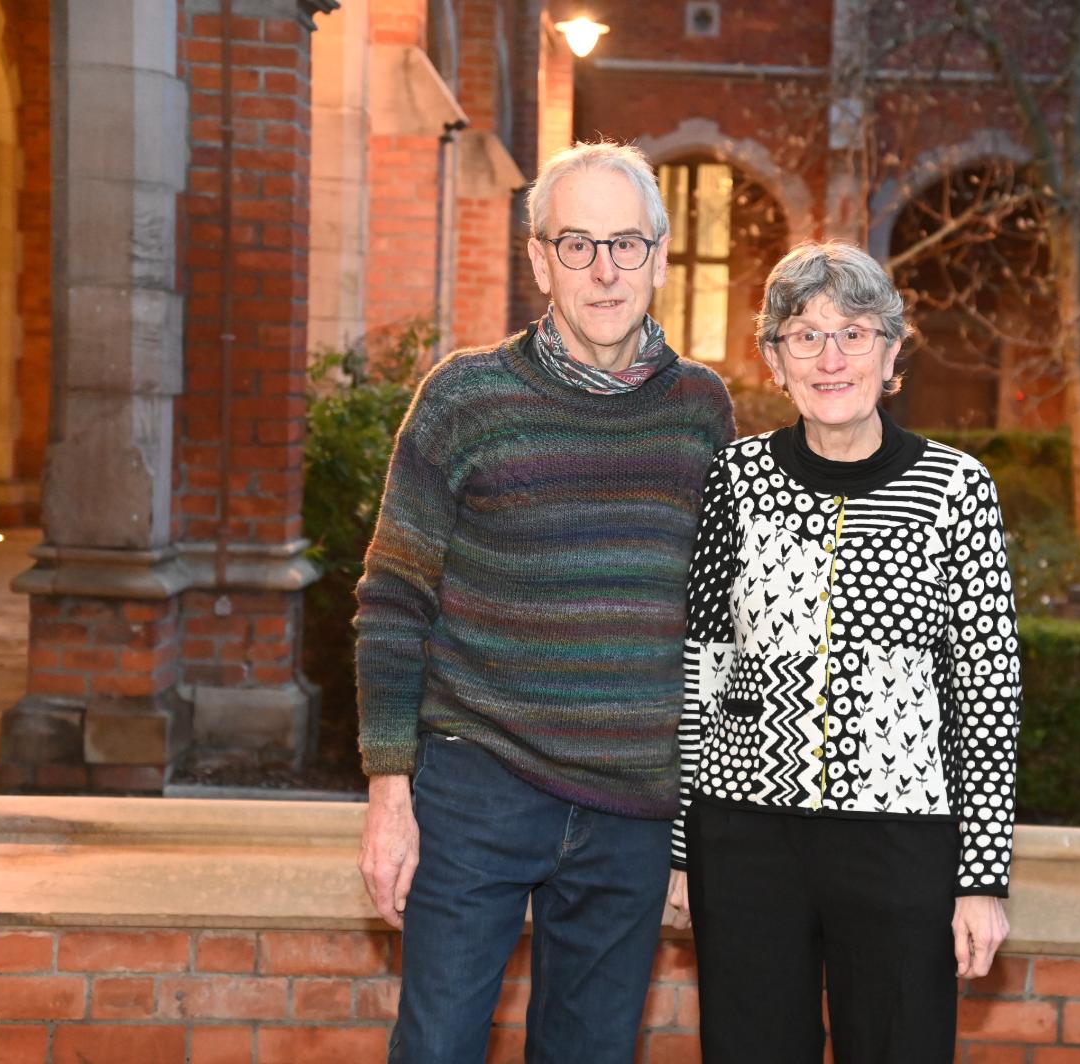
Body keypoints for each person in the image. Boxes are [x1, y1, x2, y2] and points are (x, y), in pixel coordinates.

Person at [354, 141, 734, 1063]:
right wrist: (388, 792)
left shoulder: (701, 410)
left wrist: (694, 828)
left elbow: (719, 628)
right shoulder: (465, 397)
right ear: (538, 259)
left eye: (626, 244)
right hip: (477, 788)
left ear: (658, 255)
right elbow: (392, 600)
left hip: (632, 809)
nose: (604, 270)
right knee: (436, 1048)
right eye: (577, 244)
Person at [666, 241, 1020, 1063]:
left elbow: (987, 693)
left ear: (891, 353)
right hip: (746, 840)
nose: (830, 359)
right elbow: (701, 670)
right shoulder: (734, 480)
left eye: (854, 334)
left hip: (900, 845)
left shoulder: (955, 489)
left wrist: (981, 878)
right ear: (774, 360)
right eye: (805, 336)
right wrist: (683, 849)